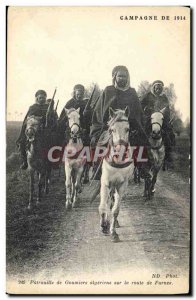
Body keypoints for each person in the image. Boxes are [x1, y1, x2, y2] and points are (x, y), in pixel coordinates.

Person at [90, 65, 145, 179]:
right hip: (109, 125)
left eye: (124, 76)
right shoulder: (108, 90)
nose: (122, 79)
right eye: (120, 76)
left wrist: (133, 124)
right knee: (100, 142)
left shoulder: (132, 92)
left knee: (140, 141)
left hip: (128, 125)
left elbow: (137, 111)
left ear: (127, 78)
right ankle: (98, 168)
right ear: (115, 77)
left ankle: (142, 168)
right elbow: (100, 110)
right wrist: (106, 123)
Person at [16, 90, 53, 170]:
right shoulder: (33, 107)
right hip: (33, 130)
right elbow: (28, 119)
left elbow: (53, 119)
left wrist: (49, 118)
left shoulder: (48, 107)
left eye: (43, 98)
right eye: (40, 98)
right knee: (22, 142)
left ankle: (51, 162)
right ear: (37, 98)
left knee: (52, 142)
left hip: (45, 131)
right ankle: (25, 161)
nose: (42, 99)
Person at [141, 80, 175, 164]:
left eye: (160, 88)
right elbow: (141, 105)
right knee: (143, 133)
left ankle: (168, 155)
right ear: (154, 88)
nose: (158, 90)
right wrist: (148, 109)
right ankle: (142, 155)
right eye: (156, 88)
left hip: (161, 118)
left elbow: (167, 109)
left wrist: (164, 114)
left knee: (168, 132)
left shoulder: (164, 97)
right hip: (149, 118)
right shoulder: (148, 96)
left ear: (161, 89)